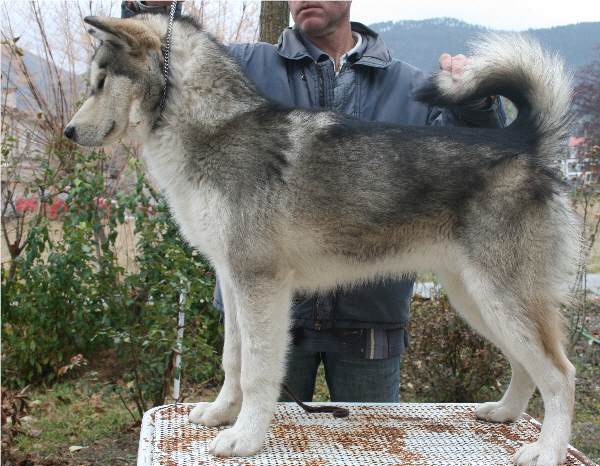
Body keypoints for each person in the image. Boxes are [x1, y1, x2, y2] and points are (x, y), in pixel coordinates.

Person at [122, 1, 506, 403]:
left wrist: (477, 104)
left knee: (370, 459)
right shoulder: (240, 67)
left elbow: (473, 166)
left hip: (370, 321)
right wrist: (144, 6)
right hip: (270, 322)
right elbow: (146, 51)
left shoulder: (410, 86)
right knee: (272, 460)